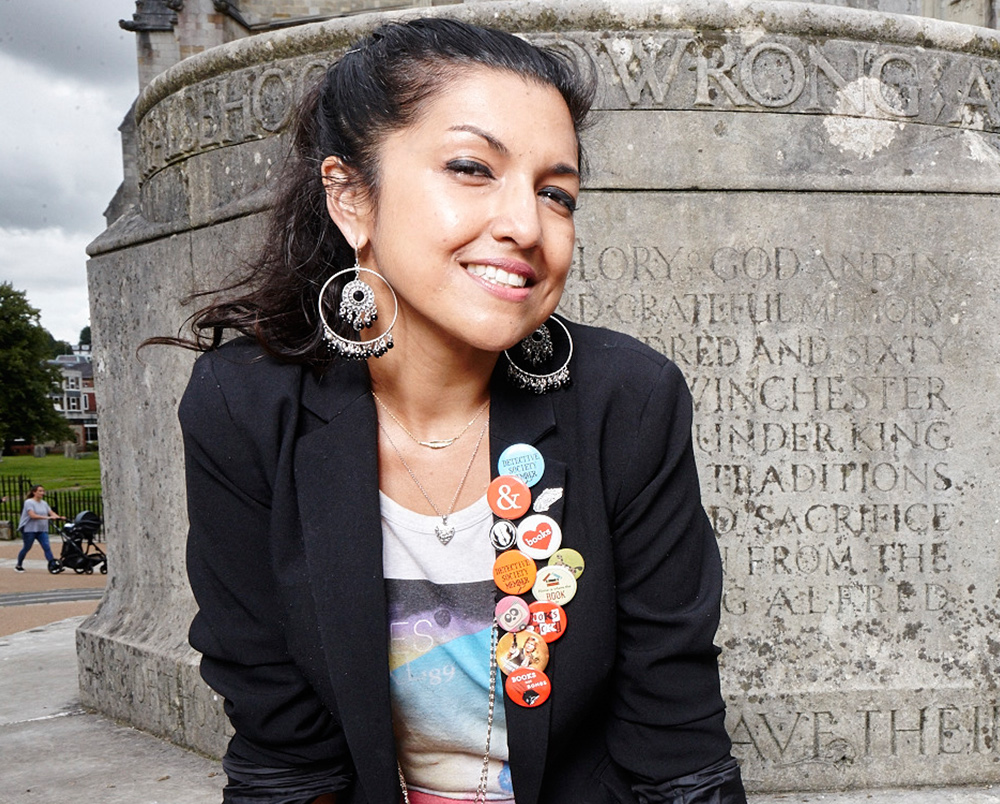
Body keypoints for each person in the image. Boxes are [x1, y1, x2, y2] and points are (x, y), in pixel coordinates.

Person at [151, 19, 744, 804]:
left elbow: (676, 746)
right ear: (351, 196)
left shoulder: (628, 400)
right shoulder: (244, 407)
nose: (526, 227)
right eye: (472, 168)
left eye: (556, 192)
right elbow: (283, 749)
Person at [15, 485, 64, 572]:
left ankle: (53, 565)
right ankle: (19, 565)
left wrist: (59, 517)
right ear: (34, 492)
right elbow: (32, 515)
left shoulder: (44, 503)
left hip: (42, 529)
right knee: (27, 547)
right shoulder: (29, 502)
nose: (42, 493)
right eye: (40, 491)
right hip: (29, 529)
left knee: (47, 547)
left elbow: (51, 512)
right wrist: (48, 518)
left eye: (43, 491)